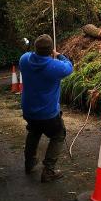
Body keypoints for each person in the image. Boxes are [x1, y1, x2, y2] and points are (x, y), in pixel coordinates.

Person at [19, 35, 73, 182]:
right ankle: (48, 171)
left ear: (36, 48)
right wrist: (58, 55)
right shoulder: (55, 66)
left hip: (29, 110)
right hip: (48, 114)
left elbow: (30, 55)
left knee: (34, 132)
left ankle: (29, 163)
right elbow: (69, 66)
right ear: (50, 51)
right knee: (58, 135)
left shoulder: (24, 59)